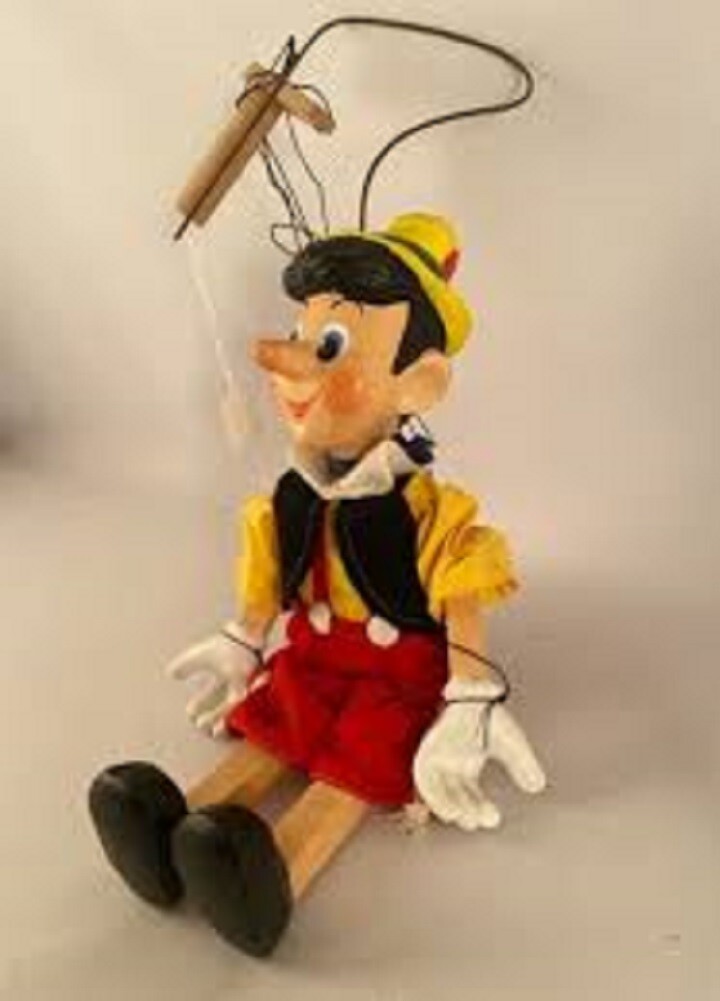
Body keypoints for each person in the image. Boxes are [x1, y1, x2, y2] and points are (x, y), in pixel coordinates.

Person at [88, 212, 546, 957]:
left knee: (348, 770)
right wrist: (244, 638)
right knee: (277, 731)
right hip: (312, 659)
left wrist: (469, 697)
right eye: (302, 334)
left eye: (329, 345)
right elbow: (273, 571)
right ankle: (172, 833)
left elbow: (461, 582)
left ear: (420, 383)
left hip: (395, 681)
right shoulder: (292, 496)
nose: (290, 362)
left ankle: (274, 875)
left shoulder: (432, 512)